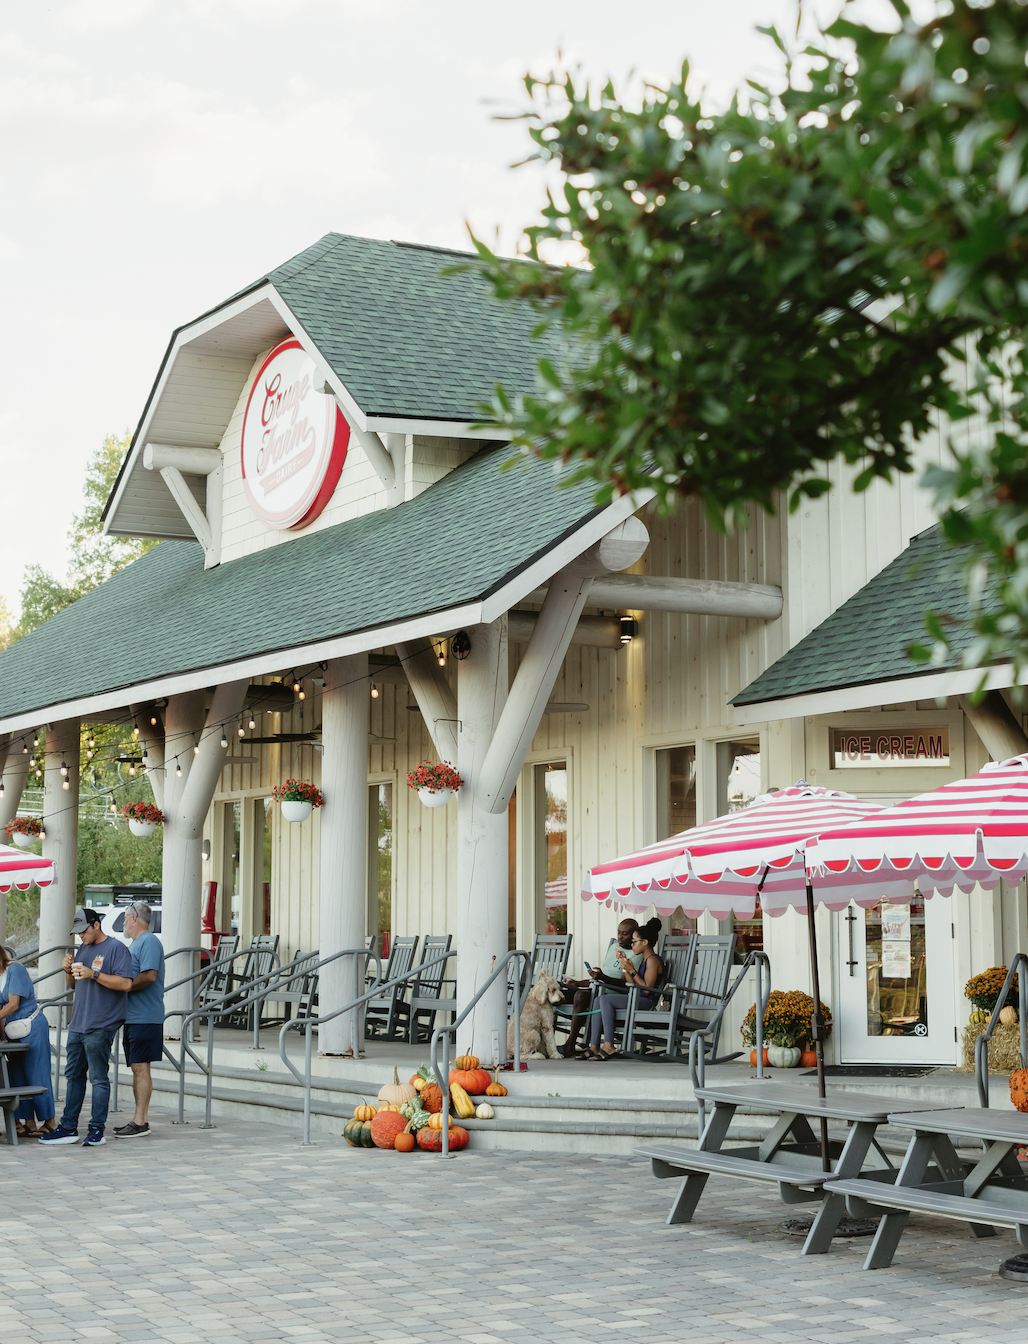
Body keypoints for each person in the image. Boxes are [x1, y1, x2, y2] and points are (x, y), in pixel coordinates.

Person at [39, 907, 133, 1147]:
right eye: (78, 932)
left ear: (96, 924)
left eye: (84, 930)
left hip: (101, 1024)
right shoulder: (82, 948)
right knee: (73, 1076)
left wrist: (94, 974)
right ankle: (68, 1127)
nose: (81, 935)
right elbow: (74, 985)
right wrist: (67, 971)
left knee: (98, 1079)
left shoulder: (116, 948)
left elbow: (125, 984)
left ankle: (96, 1130)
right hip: (78, 1023)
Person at [557, 918, 643, 1059]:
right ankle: (541, 1043)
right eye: (619, 932)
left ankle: (570, 1044)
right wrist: (578, 982)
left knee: (580, 996)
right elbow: (601, 978)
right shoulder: (614, 947)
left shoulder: (637, 954)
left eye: (625, 934)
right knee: (557, 995)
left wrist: (601, 976)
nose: (620, 937)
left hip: (611, 992)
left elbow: (623, 983)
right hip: (597, 988)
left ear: (634, 935)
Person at [115, 901, 165, 1138]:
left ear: (134, 918)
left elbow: (150, 975)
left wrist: (124, 986)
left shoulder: (149, 941)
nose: (124, 923)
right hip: (134, 1017)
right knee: (137, 1067)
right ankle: (138, 1119)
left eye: (125, 918)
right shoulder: (136, 943)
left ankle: (141, 1121)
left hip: (146, 1016)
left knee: (140, 1067)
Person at [585, 916, 665, 1059]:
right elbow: (631, 984)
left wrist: (632, 970)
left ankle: (608, 1045)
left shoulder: (652, 960)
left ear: (645, 942)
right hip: (636, 998)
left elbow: (647, 990)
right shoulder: (644, 960)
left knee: (605, 1000)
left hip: (648, 1002)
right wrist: (624, 965)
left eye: (634, 942)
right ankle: (594, 1045)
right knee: (598, 1000)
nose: (632, 945)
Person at [0, 942, 57, 1137]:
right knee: (17, 1075)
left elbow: (13, 1005)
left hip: (32, 1027)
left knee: (37, 1073)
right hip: (12, 1031)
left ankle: (50, 1121)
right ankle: (28, 1123)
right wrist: (4, 1042)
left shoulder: (15, 969)